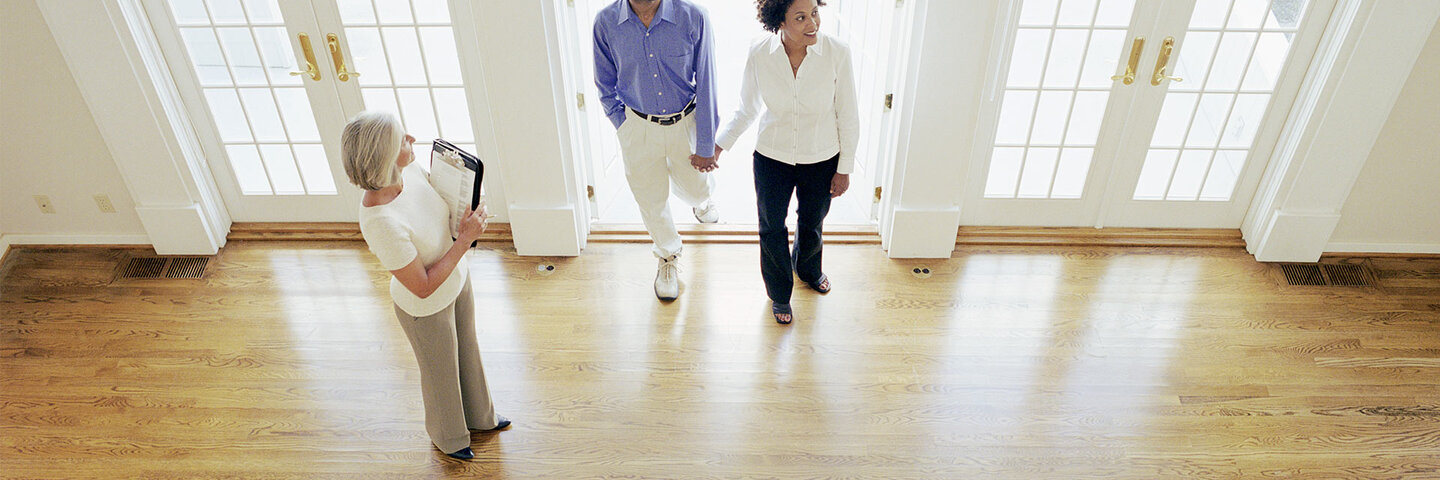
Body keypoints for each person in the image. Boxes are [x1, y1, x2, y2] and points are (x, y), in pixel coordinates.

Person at [341, 111, 510, 460]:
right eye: (403, 139)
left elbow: (439, 202)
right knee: (440, 376)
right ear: (385, 158)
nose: (413, 139)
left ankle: (481, 417)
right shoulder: (380, 222)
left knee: (468, 352)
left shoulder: (409, 171)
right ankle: (449, 438)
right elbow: (422, 286)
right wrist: (465, 241)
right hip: (426, 308)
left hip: (457, 281)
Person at [715, 0, 857, 324]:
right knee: (771, 227)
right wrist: (720, 146)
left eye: (815, 13)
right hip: (772, 157)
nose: (813, 24)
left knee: (811, 222)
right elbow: (747, 108)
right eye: (801, 17)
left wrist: (844, 168)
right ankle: (779, 293)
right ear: (780, 21)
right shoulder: (759, 54)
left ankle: (809, 270)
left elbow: (848, 114)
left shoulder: (837, 53)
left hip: (821, 157)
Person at [593, 0, 722, 301]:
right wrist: (623, 125)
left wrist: (706, 144)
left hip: (684, 121)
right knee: (650, 197)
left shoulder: (693, 17)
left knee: (695, 187)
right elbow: (604, 83)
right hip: (638, 125)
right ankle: (667, 254)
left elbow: (706, 81)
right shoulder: (606, 23)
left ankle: (700, 202)